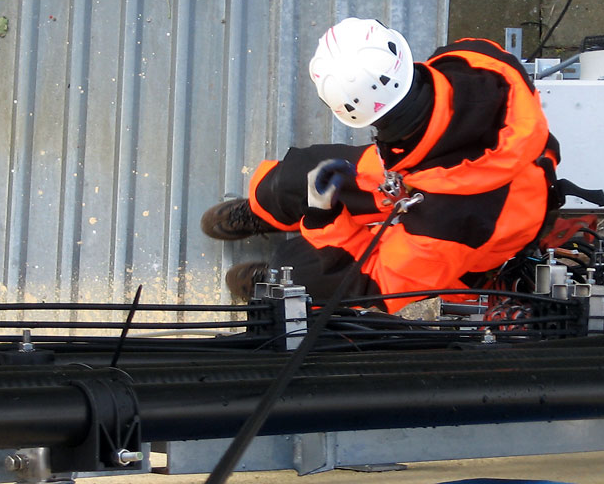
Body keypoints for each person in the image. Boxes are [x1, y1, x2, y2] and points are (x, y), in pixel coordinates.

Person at [200, 17, 562, 312]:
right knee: (299, 177)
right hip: (427, 171)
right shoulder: (473, 60)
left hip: (471, 227)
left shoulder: (447, 227)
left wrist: (323, 219)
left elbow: (380, 284)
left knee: (324, 278)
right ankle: (263, 211)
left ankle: (282, 280)